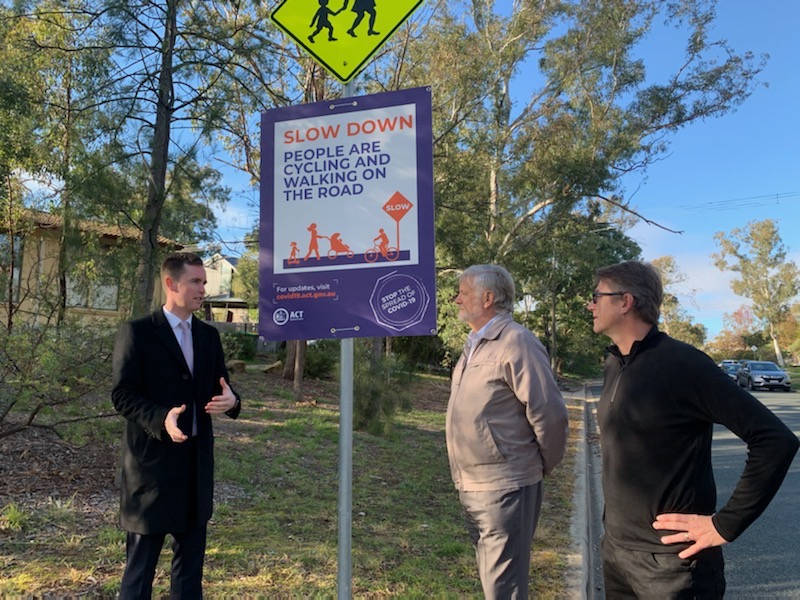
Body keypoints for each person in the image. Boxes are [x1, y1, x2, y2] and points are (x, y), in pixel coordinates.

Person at [588, 260, 798, 598]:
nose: (590, 304)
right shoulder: (614, 362)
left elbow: (774, 439)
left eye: (597, 296)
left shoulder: (682, 364)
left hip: (674, 566)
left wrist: (725, 525)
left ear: (625, 302)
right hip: (616, 554)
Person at [112, 252, 242, 598]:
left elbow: (223, 389)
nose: (204, 288)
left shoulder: (208, 337)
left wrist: (233, 403)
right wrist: (160, 417)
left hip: (194, 473)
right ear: (171, 284)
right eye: (196, 281)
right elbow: (122, 395)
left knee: (189, 579)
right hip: (151, 473)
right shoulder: (138, 333)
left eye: (204, 281)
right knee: (139, 575)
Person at [446, 264, 569, 599]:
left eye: (464, 292)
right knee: (494, 581)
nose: (456, 299)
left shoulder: (517, 342)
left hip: (506, 483)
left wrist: (540, 465)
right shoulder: (475, 344)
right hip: (473, 483)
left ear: (488, 298)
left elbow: (551, 415)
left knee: (504, 587)